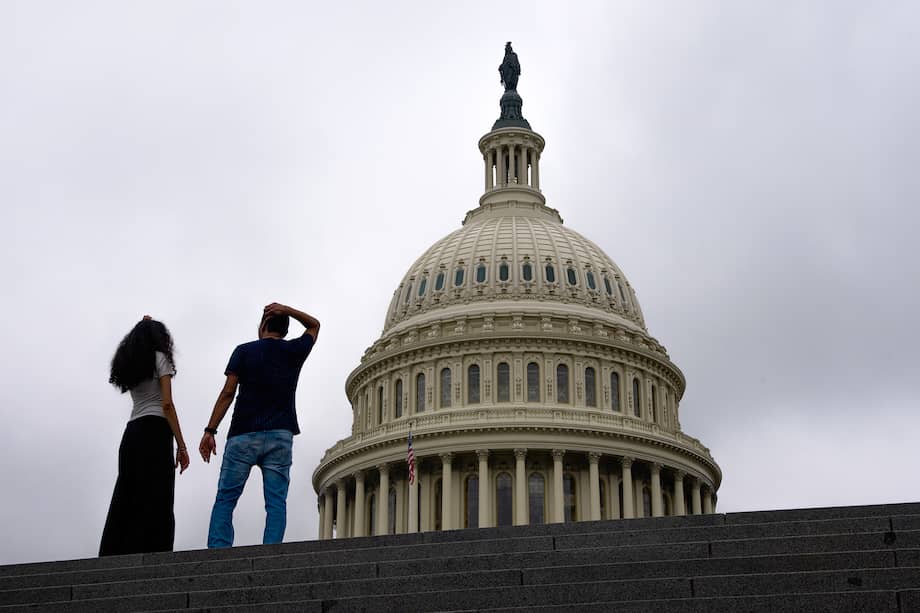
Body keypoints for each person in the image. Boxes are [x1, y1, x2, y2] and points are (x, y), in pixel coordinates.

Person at [200, 302, 320, 548]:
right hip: (280, 433)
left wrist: (210, 430)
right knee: (276, 502)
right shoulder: (294, 350)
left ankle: (219, 552)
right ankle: (271, 553)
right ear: (285, 330)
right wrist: (287, 310)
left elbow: (227, 393)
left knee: (226, 499)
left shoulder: (243, 351)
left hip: (243, 433)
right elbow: (314, 325)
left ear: (263, 325)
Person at [100, 316, 190, 556]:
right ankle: (157, 552)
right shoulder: (161, 359)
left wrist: (142, 326)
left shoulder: (132, 363)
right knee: (159, 496)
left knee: (128, 494)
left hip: (132, 433)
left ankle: (115, 553)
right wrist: (182, 446)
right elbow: (167, 405)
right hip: (156, 431)